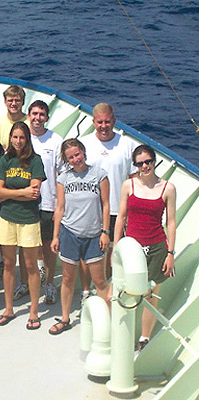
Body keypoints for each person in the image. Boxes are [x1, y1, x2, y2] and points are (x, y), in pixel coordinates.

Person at [114, 145, 176, 351]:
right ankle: (123, 334)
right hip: (132, 248)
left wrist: (170, 253)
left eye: (148, 161)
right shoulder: (128, 186)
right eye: (140, 163)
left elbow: (171, 222)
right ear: (136, 165)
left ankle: (145, 338)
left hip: (157, 247)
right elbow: (121, 218)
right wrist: (117, 248)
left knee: (150, 294)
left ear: (154, 161)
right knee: (126, 291)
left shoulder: (168, 188)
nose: (145, 166)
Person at [49, 139, 110, 334]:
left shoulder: (99, 175)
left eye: (77, 154)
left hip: (94, 235)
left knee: (100, 281)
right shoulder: (64, 178)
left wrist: (105, 232)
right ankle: (65, 318)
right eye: (71, 157)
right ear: (66, 160)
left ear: (83, 152)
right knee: (68, 278)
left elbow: (106, 205)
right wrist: (56, 236)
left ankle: (106, 323)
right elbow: (60, 208)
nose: (76, 159)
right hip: (70, 233)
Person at [80, 103, 136, 302]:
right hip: (90, 210)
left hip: (117, 210)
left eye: (107, 121)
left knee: (113, 251)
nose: (103, 126)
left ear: (114, 121)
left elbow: (133, 178)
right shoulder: (84, 144)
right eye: (99, 122)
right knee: (87, 253)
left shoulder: (127, 145)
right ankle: (86, 291)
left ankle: (108, 292)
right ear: (93, 122)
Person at [0, 121, 46, 330]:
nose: (18, 141)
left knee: (31, 265)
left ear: (27, 139)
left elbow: (35, 192)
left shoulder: (35, 161)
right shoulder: (5, 160)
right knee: (8, 264)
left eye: (21, 137)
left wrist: (11, 194)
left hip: (29, 220)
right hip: (7, 219)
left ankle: (33, 311)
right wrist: (22, 193)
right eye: (14, 137)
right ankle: (8, 308)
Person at [28, 100, 63, 305]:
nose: (38, 118)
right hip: (26, 202)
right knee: (30, 245)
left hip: (49, 202)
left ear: (47, 118)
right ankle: (32, 278)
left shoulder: (55, 140)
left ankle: (49, 283)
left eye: (42, 114)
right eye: (34, 113)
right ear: (28, 115)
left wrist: (60, 204)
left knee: (49, 244)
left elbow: (60, 173)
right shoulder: (22, 138)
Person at [0, 85, 27, 150]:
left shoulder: (30, 123)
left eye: (17, 100)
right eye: (10, 100)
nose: (14, 104)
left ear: (23, 102)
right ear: (5, 102)